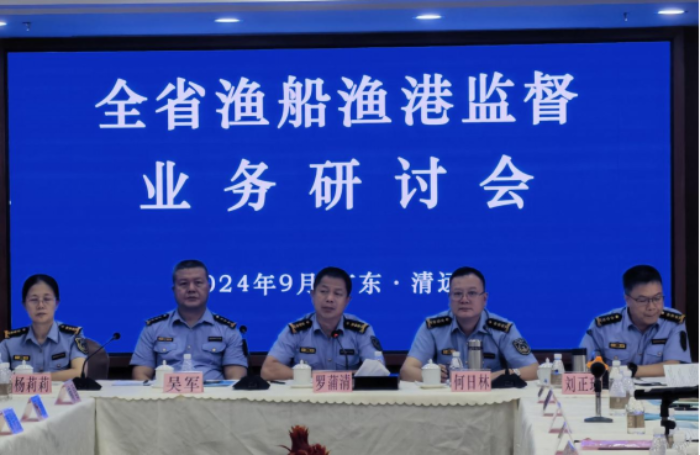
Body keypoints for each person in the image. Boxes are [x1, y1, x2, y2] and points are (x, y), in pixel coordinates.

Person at [401, 267, 538, 383]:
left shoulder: (503, 329)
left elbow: (534, 370)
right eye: (457, 294)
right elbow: (407, 371)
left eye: (472, 293)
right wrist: (431, 376)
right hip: (447, 399)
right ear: (449, 298)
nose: (464, 300)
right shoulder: (433, 327)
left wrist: (501, 374)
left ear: (484, 299)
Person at [131, 260, 247, 381]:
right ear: (174, 290)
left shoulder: (227, 330)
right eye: (184, 284)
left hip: (212, 392)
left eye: (198, 283)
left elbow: (235, 377)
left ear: (209, 288)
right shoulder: (153, 328)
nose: (191, 289)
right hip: (165, 391)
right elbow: (140, 375)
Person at [261, 267, 384, 381]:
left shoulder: (361, 331)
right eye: (324, 291)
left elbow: (377, 371)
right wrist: (319, 377)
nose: (329, 298)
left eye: (337, 293)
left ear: (347, 301)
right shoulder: (297, 330)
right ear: (313, 295)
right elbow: (268, 370)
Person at [580, 265, 691, 378]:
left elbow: (675, 367)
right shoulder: (603, 327)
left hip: (660, 389)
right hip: (616, 388)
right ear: (627, 299)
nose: (651, 307)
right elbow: (581, 367)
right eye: (642, 300)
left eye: (657, 298)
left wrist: (626, 371)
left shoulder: (672, 322)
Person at [0, 275, 87, 381]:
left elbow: (79, 372)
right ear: (24, 305)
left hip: (61, 392)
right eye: (34, 300)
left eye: (47, 299)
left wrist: (32, 379)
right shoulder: (10, 342)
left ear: (56, 303)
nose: (40, 305)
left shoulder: (73, 336)